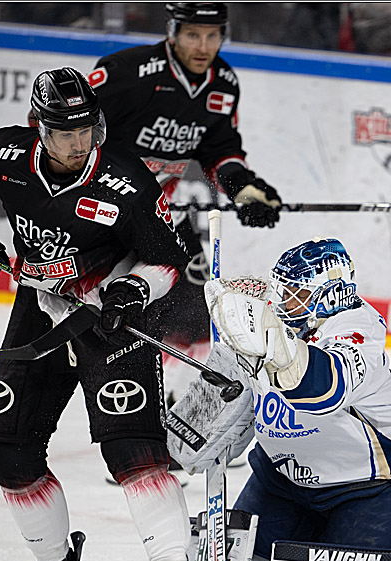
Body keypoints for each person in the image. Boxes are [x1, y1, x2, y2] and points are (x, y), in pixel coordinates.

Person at [0, 66, 211, 561]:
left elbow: (168, 261)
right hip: (39, 309)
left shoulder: (126, 182)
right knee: (8, 451)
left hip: (111, 318)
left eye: (86, 129)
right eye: (65, 132)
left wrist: (132, 290)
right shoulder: (4, 154)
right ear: (40, 129)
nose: (79, 141)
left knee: (134, 453)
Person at [197, 237, 391, 561]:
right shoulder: (273, 323)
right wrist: (198, 428)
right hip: (282, 482)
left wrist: (271, 345)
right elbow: (232, 398)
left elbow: (325, 390)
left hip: (370, 488)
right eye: (281, 290)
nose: (281, 301)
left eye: (295, 294)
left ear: (330, 296)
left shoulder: (358, 330)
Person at [87, 2, 282, 354]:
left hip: (162, 215)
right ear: (172, 32)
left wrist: (243, 188)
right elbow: (61, 127)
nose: (203, 47)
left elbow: (220, 150)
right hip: (101, 215)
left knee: (199, 316)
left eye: (212, 36)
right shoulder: (127, 72)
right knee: (103, 316)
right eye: (193, 35)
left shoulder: (222, 83)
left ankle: (179, 386)